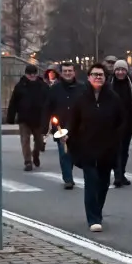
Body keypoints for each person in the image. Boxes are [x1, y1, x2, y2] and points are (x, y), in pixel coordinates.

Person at [69, 64, 124, 231]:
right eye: (94, 74)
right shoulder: (81, 98)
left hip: (107, 150)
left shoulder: (113, 98)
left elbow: (121, 122)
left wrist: (116, 140)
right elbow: (73, 122)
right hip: (87, 149)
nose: (98, 77)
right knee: (91, 183)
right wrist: (69, 136)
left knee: (103, 184)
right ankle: (93, 218)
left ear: (105, 78)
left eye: (100, 75)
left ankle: (97, 211)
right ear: (88, 77)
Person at [44, 61, 82, 189]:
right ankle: (68, 179)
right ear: (61, 73)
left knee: (78, 153)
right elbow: (48, 107)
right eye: (65, 71)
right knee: (64, 154)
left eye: (70, 71)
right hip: (61, 126)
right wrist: (46, 125)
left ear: (74, 72)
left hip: (79, 127)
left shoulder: (82, 87)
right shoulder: (55, 89)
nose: (67, 73)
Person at [7, 63, 50, 172]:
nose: (32, 76)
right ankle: (27, 161)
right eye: (29, 74)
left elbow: (49, 101)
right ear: (26, 74)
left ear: (36, 74)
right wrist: (10, 117)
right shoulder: (20, 86)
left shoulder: (43, 86)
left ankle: (35, 154)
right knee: (25, 140)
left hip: (38, 118)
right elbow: (13, 102)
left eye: (33, 74)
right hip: (24, 118)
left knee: (39, 141)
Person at [109, 60, 132, 187]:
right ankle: (117, 175)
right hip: (112, 123)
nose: (120, 72)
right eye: (117, 70)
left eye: (122, 70)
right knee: (116, 149)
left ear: (126, 71)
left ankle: (121, 173)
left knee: (124, 150)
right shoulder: (109, 82)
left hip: (128, 122)